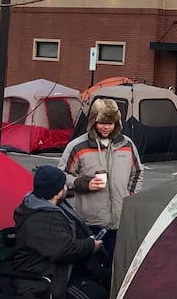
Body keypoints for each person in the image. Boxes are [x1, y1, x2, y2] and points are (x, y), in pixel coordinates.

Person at [12, 166, 109, 299]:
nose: (66, 188)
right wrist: (90, 245)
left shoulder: (51, 206)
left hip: (61, 268)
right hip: (45, 275)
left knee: (107, 280)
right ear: (58, 191)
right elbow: (62, 250)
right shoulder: (41, 218)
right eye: (64, 185)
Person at [59, 98, 144, 266]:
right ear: (93, 122)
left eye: (111, 123)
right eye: (102, 123)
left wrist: (129, 196)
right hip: (91, 221)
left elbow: (137, 172)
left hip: (120, 220)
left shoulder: (127, 144)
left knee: (116, 264)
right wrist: (84, 183)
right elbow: (62, 175)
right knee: (90, 266)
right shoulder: (77, 146)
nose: (106, 127)